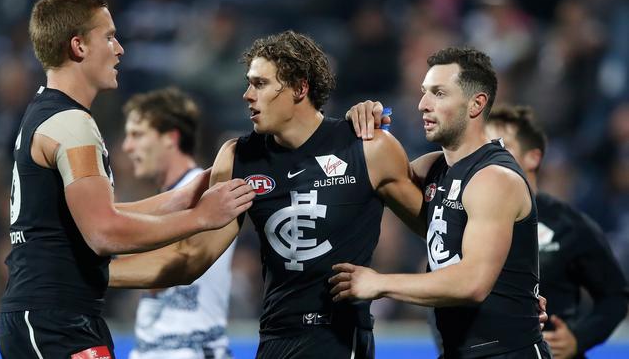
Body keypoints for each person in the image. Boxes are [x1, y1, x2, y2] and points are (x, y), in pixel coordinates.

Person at [108, 30, 425, 359]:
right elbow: (193, 259)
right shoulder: (238, 157)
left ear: (300, 88)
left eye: (260, 84)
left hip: (340, 340)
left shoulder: (367, 147)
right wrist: (93, 275)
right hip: (274, 339)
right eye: (249, 83)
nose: (247, 94)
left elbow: (435, 229)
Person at [0, 0, 254, 358]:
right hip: (56, 321)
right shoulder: (73, 125)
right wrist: (199, 217)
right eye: (109, 37)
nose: (119, 49)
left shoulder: (47, 114)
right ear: (79, 46)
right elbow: (104, 232)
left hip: (49, 315)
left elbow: (89, 219)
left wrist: (179, 198)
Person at [333, 47, 551, 358]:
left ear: (476, 104)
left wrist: (379, 283)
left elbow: (473, 283)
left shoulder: (494, 178)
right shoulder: (435, 168)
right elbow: (370, 175)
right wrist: (362, 127)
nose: (423, 105)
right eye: (424, 93)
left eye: (438, 93)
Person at [484, 105, 628, 359]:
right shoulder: (464, 218)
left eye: (500, 147)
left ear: (533, 158)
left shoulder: (568, 224)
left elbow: (615, 296)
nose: (487, 158)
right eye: (483, 149)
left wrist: (579, 338)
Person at [121, 87, 235, 358]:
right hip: (155, 348)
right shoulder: (167, 198)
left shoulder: (205, 192)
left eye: (137, 134)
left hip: (191, 348)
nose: (127, 146)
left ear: (170, 137)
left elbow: (161, 270)